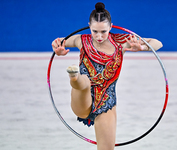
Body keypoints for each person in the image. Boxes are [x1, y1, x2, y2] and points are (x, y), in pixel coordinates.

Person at [52, 2, 163, 150]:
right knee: (84, 82)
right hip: (82, 100)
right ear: (89, 27)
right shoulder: (81, 40)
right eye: (95, 31)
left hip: (107, 102)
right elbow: (60, 41)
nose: (99, 36)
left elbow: (157, 43)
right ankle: (74, 77)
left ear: (111, 27)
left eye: (103, 31)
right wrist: (58, 49)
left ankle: (77, 78)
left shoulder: (121, 42)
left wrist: (141, 47)